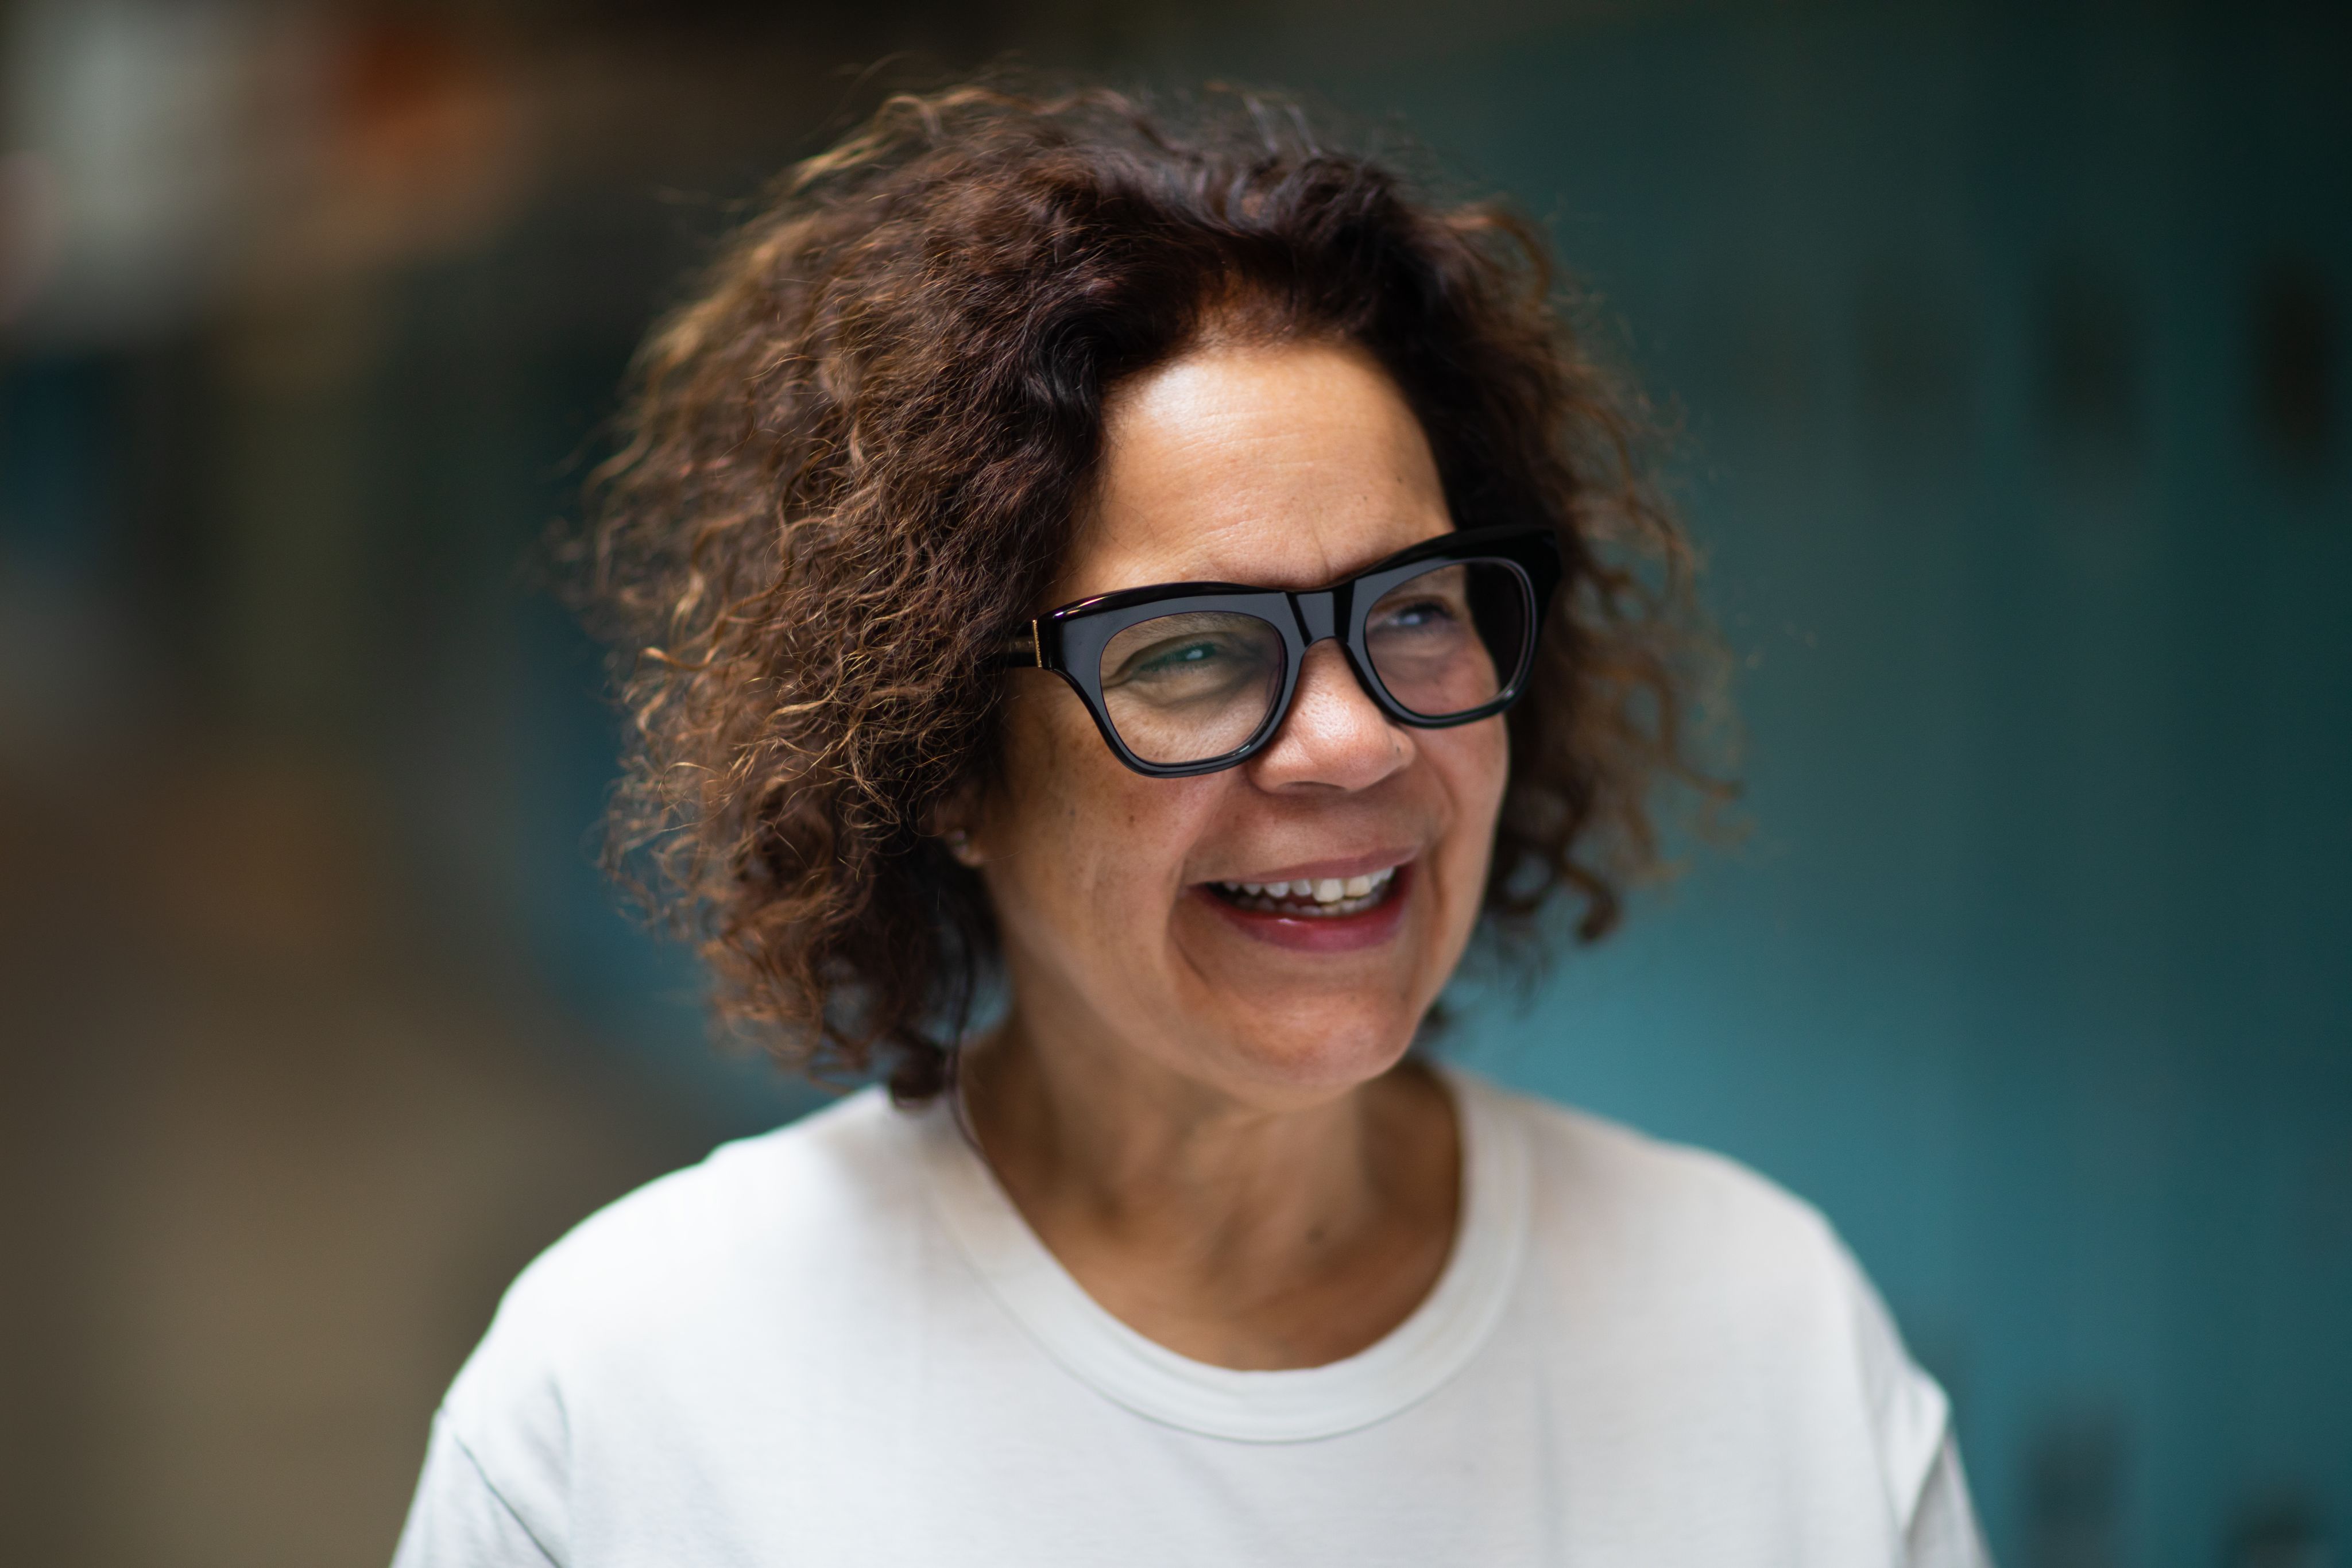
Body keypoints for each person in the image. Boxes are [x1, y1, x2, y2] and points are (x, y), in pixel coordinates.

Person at [392, 86, 1990, 1566]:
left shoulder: (1767, 1334)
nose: (1355, 738)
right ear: (942, 752)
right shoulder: (631, 1407)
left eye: (1416, 609)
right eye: (1192, 652)